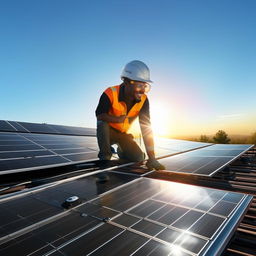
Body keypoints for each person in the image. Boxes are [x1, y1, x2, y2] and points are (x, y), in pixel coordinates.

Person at [95, 60, 165, 173]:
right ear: (127, 82)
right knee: (101, 123)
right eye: (139, 85)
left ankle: (120, 151)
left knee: (138, 158)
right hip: (108, 133)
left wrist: (152, 158)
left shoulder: (143, 100)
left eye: (145, 86)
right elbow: (99, 115)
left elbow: (146, 127)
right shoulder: (110, 93)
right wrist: (117, 120)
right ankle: (105, 158)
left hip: (123, 134)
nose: (143, 90)